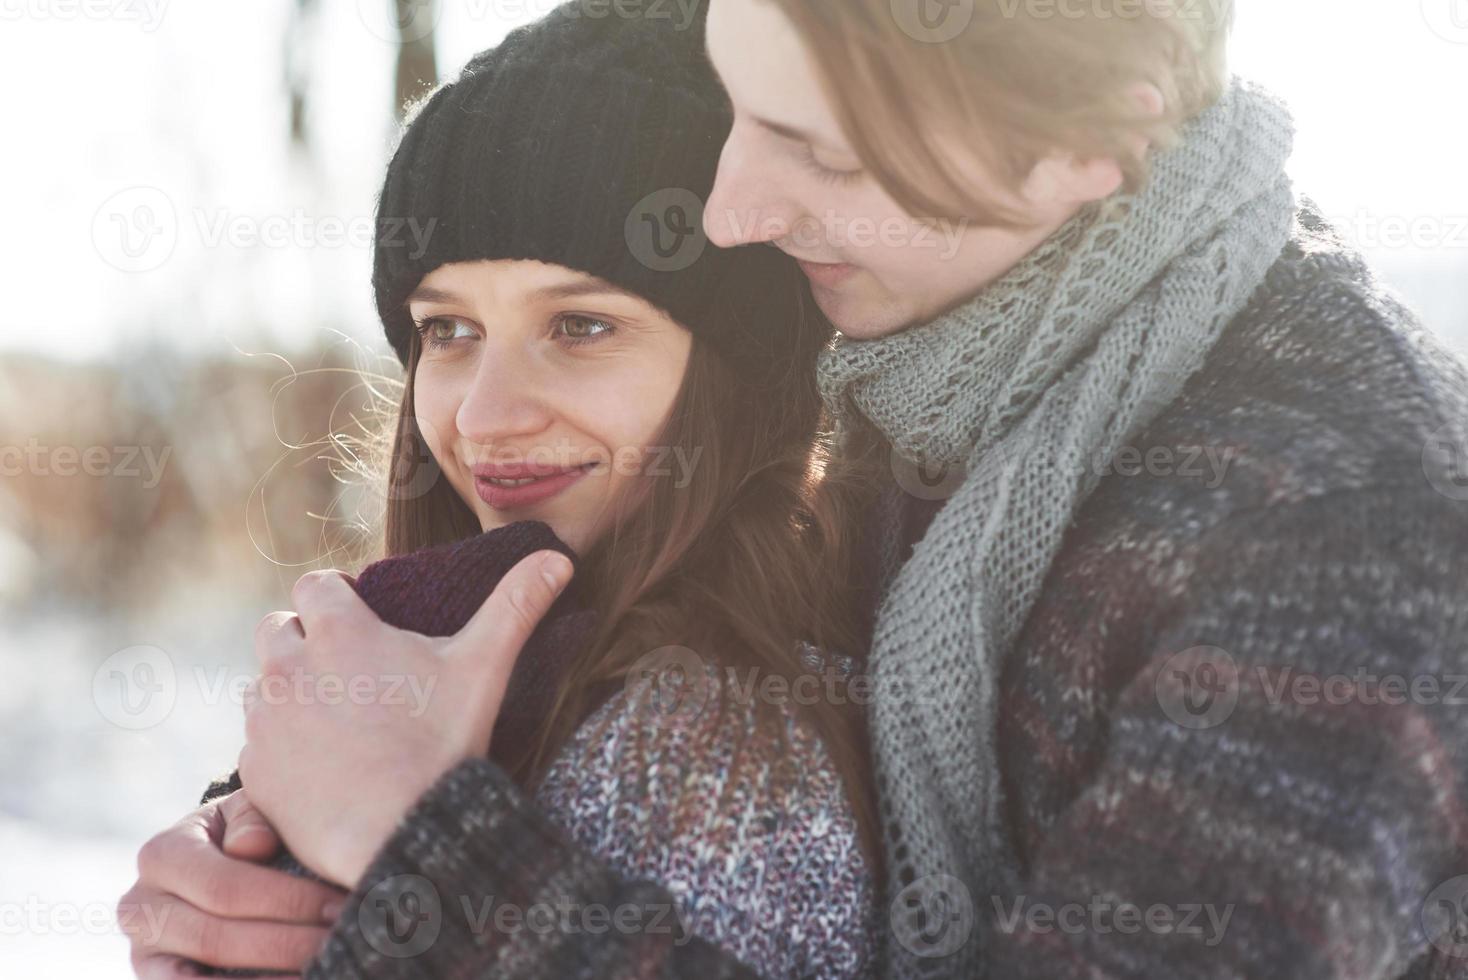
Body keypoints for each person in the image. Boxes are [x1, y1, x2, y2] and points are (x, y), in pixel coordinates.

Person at [126, 0, 1468, 977]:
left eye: (814, 150)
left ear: (1093, 140)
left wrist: (421, 853)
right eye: (739, 104)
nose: (731, 212)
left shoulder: (1335, 523)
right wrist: (259, 853)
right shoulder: (916, 335)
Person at [118, 6, 879, 978]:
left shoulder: (712, 746)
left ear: (744, 370)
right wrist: (256, 832)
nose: (484, 415)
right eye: (448, 330)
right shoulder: (480, 658)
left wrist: (406, 840)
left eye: (582, 326)